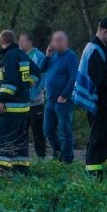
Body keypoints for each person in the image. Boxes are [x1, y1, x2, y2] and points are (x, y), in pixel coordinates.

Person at [73, 17, 107, 179]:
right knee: (99, 138)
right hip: (100, 103)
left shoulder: (98, 48)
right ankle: (93, 175)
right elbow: (101, 80)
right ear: (105, 31)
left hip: (100, 102)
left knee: (102, 138)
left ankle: (95, 172)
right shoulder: (95, 50)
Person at [0, 30, 41, 176]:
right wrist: (26, 86)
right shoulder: (22, 55)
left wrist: (2, 100)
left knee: (4, 135)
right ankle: (21, 168)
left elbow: (9, 82)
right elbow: (36, 72)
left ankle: (3, 168)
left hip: (11, 106)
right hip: (24, 106)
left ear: (2, 41)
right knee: (21, 137)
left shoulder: (9, 56)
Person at [40, 31, 78, 164]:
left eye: (58, 40)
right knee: (48, 129)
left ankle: (67, 158)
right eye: (54, 40)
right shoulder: (53, 56)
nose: (55, 43)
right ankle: (58, 151)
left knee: (64, 130)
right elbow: (42, 69)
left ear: (65, 42)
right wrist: (47, 56)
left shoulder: (71, 56)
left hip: (63, 100)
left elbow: (73, 77)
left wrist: (65, 95)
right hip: (50, 100)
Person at [19, 32, 47, 158]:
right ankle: (22, 158)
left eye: (22, 40)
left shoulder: (39, 56)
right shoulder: (18, 56)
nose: (20, 43)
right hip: (21, 102)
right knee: (21, 132)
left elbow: (42, 75)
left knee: (38, 131)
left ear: (30, 42)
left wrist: (35, 92)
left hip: (36, 102)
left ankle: (41, 157)